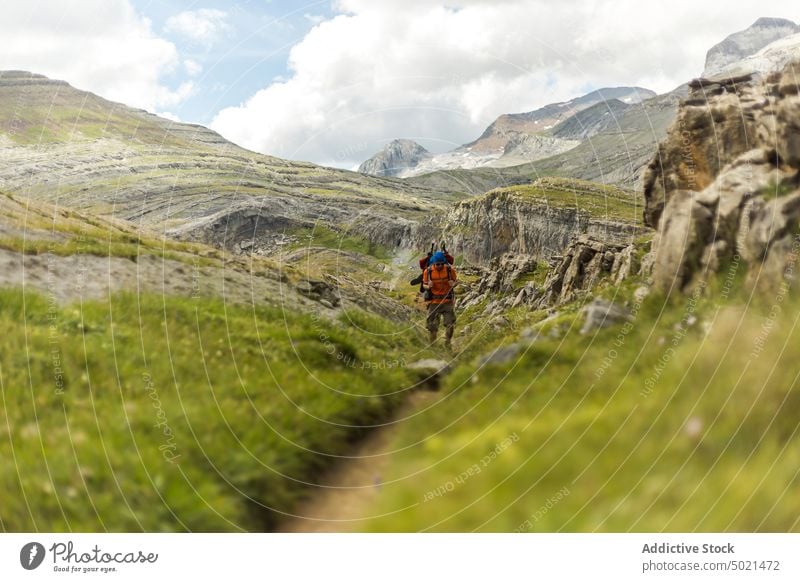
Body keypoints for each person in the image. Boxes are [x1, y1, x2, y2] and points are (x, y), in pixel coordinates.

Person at [422, 250, 458, 349]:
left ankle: (448, 343)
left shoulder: (450, 270)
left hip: (447, 302)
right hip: (433, 302)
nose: (439, 266)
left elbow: (456, 281)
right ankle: (432, 346)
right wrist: (428, 286)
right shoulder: (428, 271)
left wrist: (453, 284)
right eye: (437, 264)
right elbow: (424, 285)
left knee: (450, 324)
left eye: (441, 264)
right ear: (434, 263)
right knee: (432, 327)